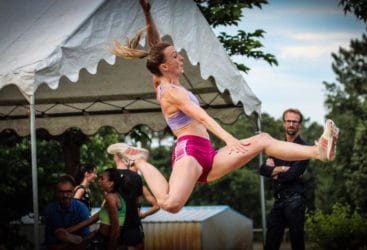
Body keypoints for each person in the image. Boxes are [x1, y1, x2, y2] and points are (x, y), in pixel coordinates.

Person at [109, 0, 339, 214]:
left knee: (264, 139)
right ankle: (138, 159)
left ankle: (318, 151)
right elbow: (203, 118)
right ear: (164, 66)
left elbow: (155, 46)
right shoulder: (171, 92)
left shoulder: (163, 79)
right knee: (170, 204)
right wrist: (230, 139)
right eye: (175, 56)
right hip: (189, 152)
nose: (180, 58)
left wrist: (148, 14)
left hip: (207, 151)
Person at [260, 108, 309, 250]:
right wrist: (281, 169)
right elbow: (263, 169)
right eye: (288, 121)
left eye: (295, 121)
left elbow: (291, 175)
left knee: (297, 242)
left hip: (295, 199)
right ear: (284, 123)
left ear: (299, 125)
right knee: (271, 241)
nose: (291, 124)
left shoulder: (304, 148)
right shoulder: (277, 146)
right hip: (279, 199)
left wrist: (274, 171)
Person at [55, 168, 126, 250]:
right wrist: (69, 230)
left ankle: (75, 240)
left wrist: (111, 246)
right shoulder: (115, 197)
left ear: (110, 183)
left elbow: (115, 226)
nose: (99, 181)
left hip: (104, 240)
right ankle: (74, 239)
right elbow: (93, 219)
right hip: (99, 235)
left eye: (102, 179)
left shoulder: (110, 197)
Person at [107, 143, 159, 250]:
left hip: (119, 226)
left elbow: (107, 203)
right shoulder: (137, 179)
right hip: (133, 226)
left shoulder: (110, 177)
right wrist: (140, 213)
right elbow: (142, 202)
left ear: (117, 156)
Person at [43, 175, 90, 250]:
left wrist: (67, 238)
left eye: (68, 192)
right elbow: (49, 240)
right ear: (57, 192)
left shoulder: (82, 209)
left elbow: (85, 238)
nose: (65, 195)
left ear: (73, 191)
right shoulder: (50, 209)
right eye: (61, 192)